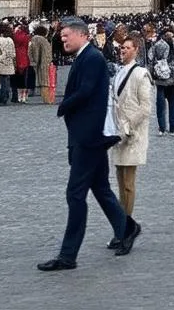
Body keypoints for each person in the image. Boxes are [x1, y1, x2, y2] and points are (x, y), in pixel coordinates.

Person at [37, 17, 139, 271]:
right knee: (101, 188)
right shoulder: (86, 57)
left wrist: (64, 106)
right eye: (61, 37)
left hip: (89, 138)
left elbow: (85, 90)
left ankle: (68, 256)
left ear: (82, 35)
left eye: (66, 35)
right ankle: (127, 227)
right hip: (88, 137)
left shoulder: (92, 58)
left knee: (75, 195)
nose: (62, 39)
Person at [109, 33, 152, 231]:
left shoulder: (140, 74)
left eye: (127, 48)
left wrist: (128, 126)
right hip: (118, 134)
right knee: (119, 183)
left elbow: (145, 108)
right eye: (121, 47)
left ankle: (126, 227)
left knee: (128, 184)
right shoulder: (118, 73)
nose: (122, 50)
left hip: (132, 135)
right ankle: (122, 225)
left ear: (136, 50)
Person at [148, 28, 174, 134]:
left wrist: (151, 74)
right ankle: (173, 127)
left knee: (160, 105)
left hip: (160, 79)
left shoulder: (157, 45)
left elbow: (150, 58)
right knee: (172, 105)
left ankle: (162, 128)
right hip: (172, 79)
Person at [29, 22, 53, 104]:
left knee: (44, 81)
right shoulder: (41, 39)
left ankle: (47, 99)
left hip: (43, 63)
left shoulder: (37, 39)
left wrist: (35, 62)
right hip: (45, 62)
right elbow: (37, 52)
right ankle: (47, 99)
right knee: (45, 81)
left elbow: (35, 52)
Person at [0, 22, 17, 106]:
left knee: (3, 82)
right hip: (9, 62)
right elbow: (13, 53)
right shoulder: (10, 40)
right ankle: (6, 97)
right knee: (7, 81)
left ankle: (3, 98)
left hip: (1, 62)